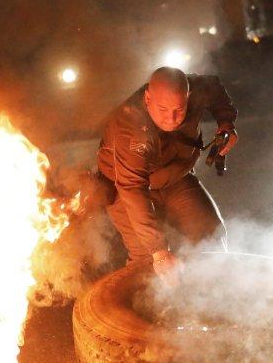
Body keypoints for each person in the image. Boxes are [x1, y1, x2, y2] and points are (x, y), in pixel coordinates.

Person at [97, 66, 238, 286]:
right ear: (147, 98)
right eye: (162, 109)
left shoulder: (197, 89)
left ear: (188, 97)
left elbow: (215, 89)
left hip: (176, 178)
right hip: (128, 190)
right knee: (147, 264)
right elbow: (133, 189)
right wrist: (159, 251)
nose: (171, 119)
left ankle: (216, 303)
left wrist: (226, 122)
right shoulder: (130, 127)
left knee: (212, 239)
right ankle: (141, 315)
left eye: (179, 110)